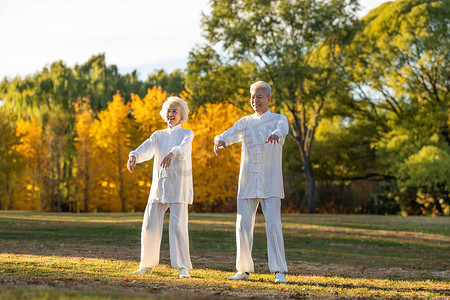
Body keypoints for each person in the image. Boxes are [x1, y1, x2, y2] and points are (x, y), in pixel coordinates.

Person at [214, 81, 289, 283]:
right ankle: (243, 270)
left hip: (270, 182)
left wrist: (276, 133)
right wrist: (220, 140)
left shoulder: (278, 119)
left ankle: (279, 270)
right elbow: (229, 134)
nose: (255, 100)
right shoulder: (245, 121)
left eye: (259, 96)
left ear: (268, 99)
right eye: (252, 97)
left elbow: (283, 129)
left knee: (273, 225)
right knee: (242, 225)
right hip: (247, 181)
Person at [127, 96, 194, 278]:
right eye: (168, 111)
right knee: (149, 224)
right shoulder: (158, 135)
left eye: (175, 111)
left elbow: (184, 148)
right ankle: (146, 264)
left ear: (182, 115)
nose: (171, 114)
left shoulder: (187, 134)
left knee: (178, 227)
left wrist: (173, 153)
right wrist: (133, 155)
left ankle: (182, 267)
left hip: (178, 185)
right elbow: (145, 148)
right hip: (159, 186)